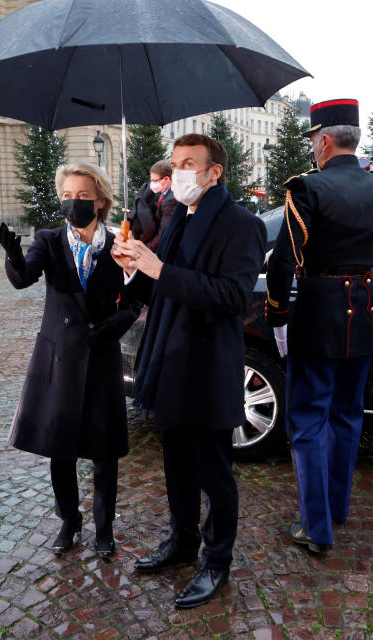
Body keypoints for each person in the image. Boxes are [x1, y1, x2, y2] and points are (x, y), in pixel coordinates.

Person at [111, 134, 267, 609]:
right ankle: (181, 542)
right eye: (176, 163)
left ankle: (217, 560)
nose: (178, 173)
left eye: (188, 164)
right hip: (167, 355)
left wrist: (159, 271)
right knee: (175, 459)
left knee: (213, 469)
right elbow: (159, 282)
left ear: (214, 171)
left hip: (207, 361)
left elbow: (232, 297)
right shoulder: (178, 215)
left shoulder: (243, 225)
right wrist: (130, 268)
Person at [264, 99, 373, 554]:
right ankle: (336, 509)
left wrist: (277, 317)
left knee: (308, 419)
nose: (312, 148)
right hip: (367, 315)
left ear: (323, 140)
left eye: (312, 140)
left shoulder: (307, 189)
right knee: (347, 415)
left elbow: (284, 261)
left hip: (318, 316)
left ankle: (317, 528)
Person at [0, 163, 140, 561]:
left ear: (101, 202)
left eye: (82, 196)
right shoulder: (48, 239)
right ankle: (68, 521)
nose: (73, 203)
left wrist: (112, 325)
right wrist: (13, 256)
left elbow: (136, 301)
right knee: (59, 447)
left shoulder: (120, 242)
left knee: (104, 450)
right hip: (59, 356)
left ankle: (104, 526)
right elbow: (24, 277)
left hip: (101, 354)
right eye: (68, 195)